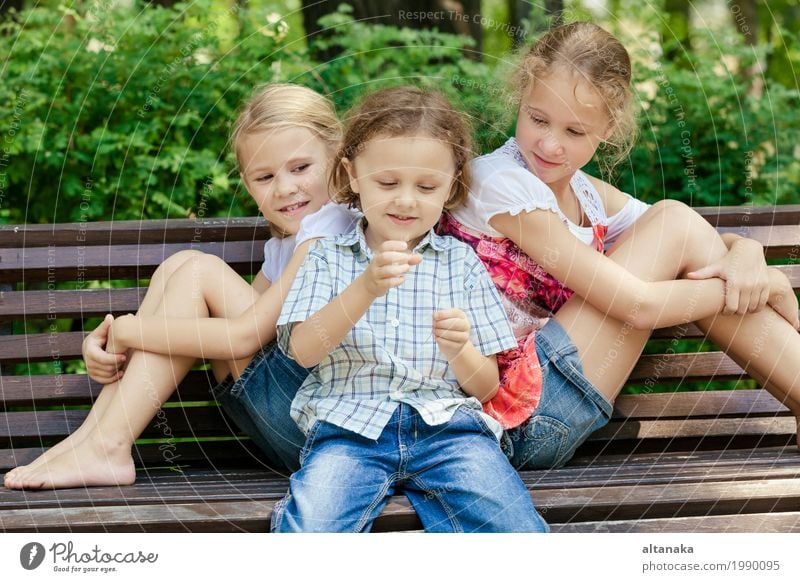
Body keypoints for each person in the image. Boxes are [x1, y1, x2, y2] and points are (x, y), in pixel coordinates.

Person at [435, 21, 800, 471]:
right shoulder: (501, 184)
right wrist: (768, 283)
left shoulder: (587, 194)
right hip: (509, 419)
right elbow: (638, 306)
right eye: (537, 118)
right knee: (675, 220)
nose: (550, 144)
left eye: (574, 132)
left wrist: (749, 256)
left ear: (608, 127)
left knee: (675, 220)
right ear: (520, 99)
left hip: (550, 400)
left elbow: (695, 242)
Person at [4, 83, 357, 489]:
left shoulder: (332, 229)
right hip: (290, 420)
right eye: (264, 176)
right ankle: (92, 438)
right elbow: (242, 328)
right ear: (246, 184)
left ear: (338, 161)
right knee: (177, 270)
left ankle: (106, 445)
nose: (284, 188)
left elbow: (242, 339)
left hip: (331, 435)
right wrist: (123, 338)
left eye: (300, 168)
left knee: (194, 271)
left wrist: (125, 330)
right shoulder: (285, 245)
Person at [270, 86, 547, 532]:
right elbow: (303, 351)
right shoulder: (328, 257)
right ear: (352, 175)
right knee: (311, 533)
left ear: (452, 185)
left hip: (450, 434)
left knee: (514, 531)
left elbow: (485, 385)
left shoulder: (461, 263)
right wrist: (365, 287)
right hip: (348, 431)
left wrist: (461, 352)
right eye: (387, 182)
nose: (405, 200)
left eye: (426, 186)